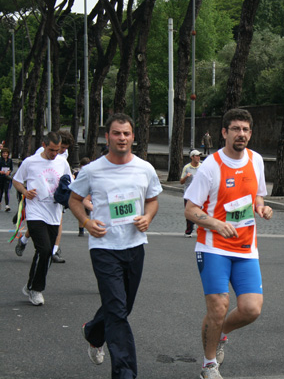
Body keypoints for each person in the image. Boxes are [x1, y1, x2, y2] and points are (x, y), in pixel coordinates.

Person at [68, 113, 162, 377]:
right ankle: (125, 373)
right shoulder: (92, 170)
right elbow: (74, 199)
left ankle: (93, 331)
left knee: (123, 307)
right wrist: (86, 223)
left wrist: (148, 216)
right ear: (107, 136)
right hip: (104, 247)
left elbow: (153, 200)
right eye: (117, 133)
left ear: (133, 137)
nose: (122, 138)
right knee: (118, 312)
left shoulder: (145, 169)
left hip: (134, 247)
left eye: (127, 133)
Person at [184, 109, 273, 379]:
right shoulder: (211, 166)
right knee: (219, 306)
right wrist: (215, 223)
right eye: (235, 129)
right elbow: (190, 209)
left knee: (251, 309)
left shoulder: (256, 160)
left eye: (245, 129)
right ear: (224, 133)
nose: (241, 134)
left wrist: (262, 208)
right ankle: (209, 363)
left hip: (246, 247)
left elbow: (257, 196)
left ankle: (221, 333)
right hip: (213, 248)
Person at [12, 132, 72, 306]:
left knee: (47, 253)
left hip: (54, 212)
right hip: (35, 212)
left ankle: (31, 285)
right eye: (52, 150)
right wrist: (24, 191)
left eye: (58, 150)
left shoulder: (62, 161)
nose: (55, 154)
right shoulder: (30, 162)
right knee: (44, 249)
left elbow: (70, 181)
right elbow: (16, 180)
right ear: (44, 145)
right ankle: (36, 290)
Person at [180, 149, 202, 237]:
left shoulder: (202, 166)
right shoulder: (187, 167)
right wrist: (186, 176)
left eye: (199, 156)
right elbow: (181, 181)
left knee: (200, 213)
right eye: (197, 156)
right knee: (189, 213)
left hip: (199, 193)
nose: (198, 157)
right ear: (192, 157)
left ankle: (200, 231)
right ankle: (188, 231)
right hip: (188, 194)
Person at [0, 147, 13, 211]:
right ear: (1, 154)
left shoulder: (10, 161)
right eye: (4, 153)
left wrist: (9, 171)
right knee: (1, 191)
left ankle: (7, 205)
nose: (5, 154)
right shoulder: (0, 160)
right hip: (1, 177)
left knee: (6, 190)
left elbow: (11, 168)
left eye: (6, 153)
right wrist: (0, 171)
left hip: (7, 177)